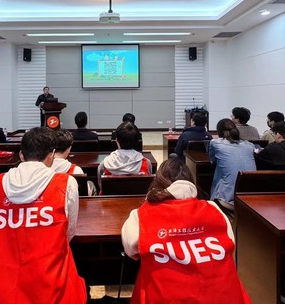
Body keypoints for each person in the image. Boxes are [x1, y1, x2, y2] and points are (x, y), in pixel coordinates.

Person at [0, 127, 86, 304]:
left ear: (21, 155)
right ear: (51, 156)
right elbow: (69, 232)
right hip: (50, 283)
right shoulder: (66, 182)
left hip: (1, 284)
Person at [121, 157, 251, 304]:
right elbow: (231, 242)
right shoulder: (213, 208)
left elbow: (130, 250)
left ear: (157, 183)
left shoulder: (141, 214)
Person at [209, 119, 256, 203]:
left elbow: (213, 161)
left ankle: (213, 200)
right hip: (250, 197)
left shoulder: (215, 143)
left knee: (219, 170)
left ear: (219, 132)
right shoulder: (249, 145)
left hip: (226, 199)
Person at [98, 122, 151, 189]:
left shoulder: (104, 164)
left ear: (117, 141)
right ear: (137, 142)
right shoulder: (147, 163)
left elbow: (101, 187)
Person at [52, 129, 95, 196]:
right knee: (91, 184)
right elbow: (86, 194)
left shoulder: (43, 168)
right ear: (69, 148)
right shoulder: (76, 170)